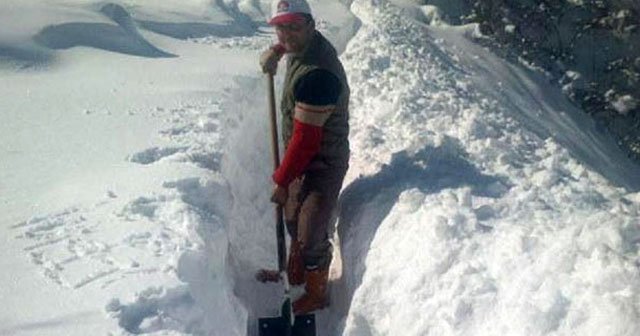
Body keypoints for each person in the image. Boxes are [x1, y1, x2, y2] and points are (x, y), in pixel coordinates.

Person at [257, 0, 350, 315]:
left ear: (311, 24)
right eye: (280, 27)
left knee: (309, 228)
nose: (287, 33)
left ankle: (316, 290)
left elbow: (306, 141)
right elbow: (291, 43)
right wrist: (277, 52)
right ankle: (293, 268)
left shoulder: (319, 75)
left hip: (323, 160)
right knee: (292, 215)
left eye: (294, 26)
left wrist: (282, 180)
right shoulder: (302, 48)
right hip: (302, 153)